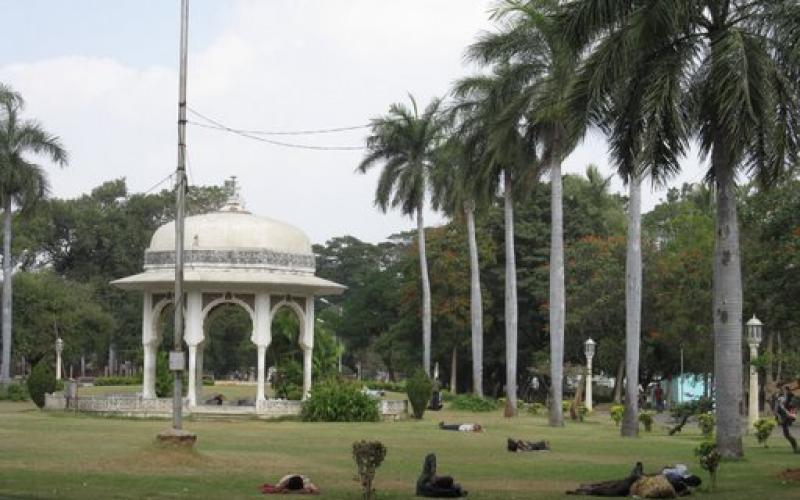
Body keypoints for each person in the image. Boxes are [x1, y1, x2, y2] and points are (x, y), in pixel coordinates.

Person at [566, 462, 643, 496]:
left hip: (628, 488)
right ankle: (589, 487)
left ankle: (586, 490)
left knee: (610, 489)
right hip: (629, 484)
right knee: (610, 484)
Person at [774, 385, 798, 453]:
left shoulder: (789, 396)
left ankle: (795, 447)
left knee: (786, 432)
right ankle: (795, 448)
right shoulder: (784, 396)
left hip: (787, 416)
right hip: (786, 415)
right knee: (786, 433)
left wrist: (790, 415)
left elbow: (788, 407)